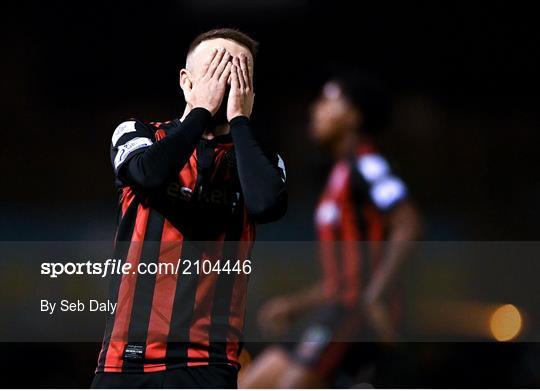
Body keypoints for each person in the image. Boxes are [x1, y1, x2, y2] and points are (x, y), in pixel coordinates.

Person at [91, 28, 287, 388]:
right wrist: (200, 112)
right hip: (125, 363)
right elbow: (149, 175)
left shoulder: (261, 162)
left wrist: (240, 121)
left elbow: (266, 204)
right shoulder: (139, 134)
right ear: (187, 81)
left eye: (237, 74)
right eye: (215, 69)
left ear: (250, 91)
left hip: (208, 364)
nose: (224, 82)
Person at [239, 72, 421, 388]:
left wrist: (375, 295)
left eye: (328, 101)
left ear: (353, 117)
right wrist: (295, 305)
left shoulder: (368, 165)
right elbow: (348, 275)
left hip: (351, 317)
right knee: (249, 384)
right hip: (331, 312)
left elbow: (408, 222)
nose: (316, 109)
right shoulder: (339, 174)